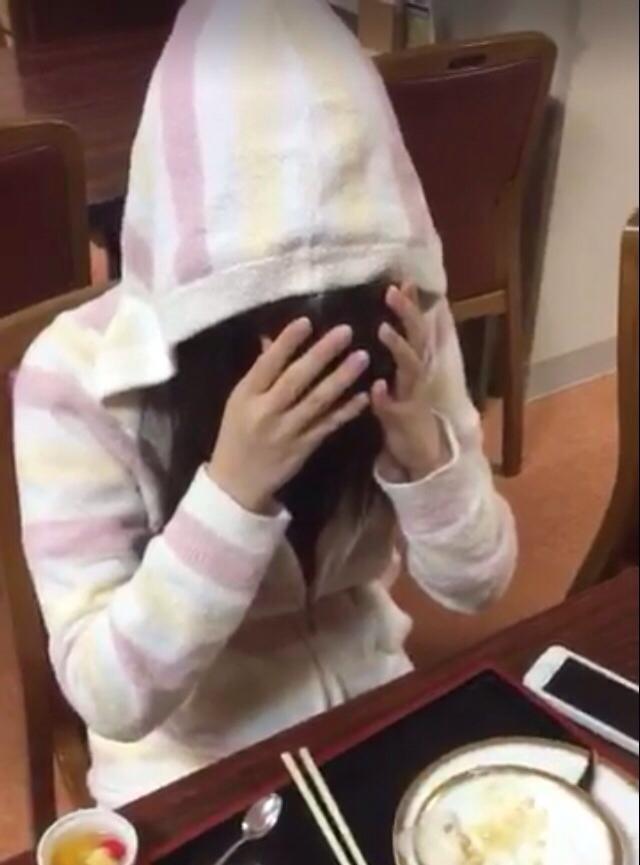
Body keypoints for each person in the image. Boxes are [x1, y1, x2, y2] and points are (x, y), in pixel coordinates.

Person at [13, 0, 516, 807]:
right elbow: (107, 693)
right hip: (187, 758)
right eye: (271, 320)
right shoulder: (73, 379)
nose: (311, 354)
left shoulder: (401, 314)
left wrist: (427, 454)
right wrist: (229, 493)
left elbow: (478, 584)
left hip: (367, 705)